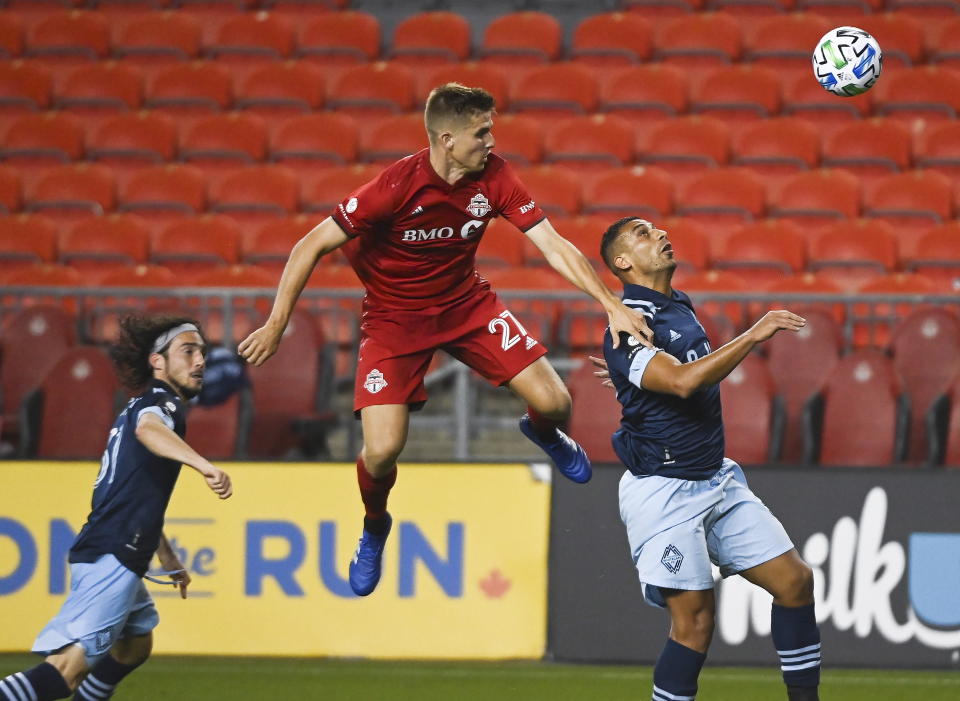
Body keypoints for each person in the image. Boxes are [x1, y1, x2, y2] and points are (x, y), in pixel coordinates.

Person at [238, 83, 653, 597]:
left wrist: (611, 304)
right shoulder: (393, 188)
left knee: (556, 403)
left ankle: (541, 432)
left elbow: (551, 243)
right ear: (447, 139)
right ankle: (373, 527)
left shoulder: (495, 175)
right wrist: (277, 323)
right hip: (394, 320)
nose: (492, 139)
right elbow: (310, 244)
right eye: (482, 132)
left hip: (466, 305)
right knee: (383, 450)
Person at [591, 218, 821, 701]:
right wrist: (754, 334)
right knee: (694, 623)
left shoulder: (677, 306)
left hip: (714, 476)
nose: (658, 235)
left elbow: (671, 377)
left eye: (655, 229)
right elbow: (681, 381)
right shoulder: (628, 323)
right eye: (641, 233)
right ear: (622, 262)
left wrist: (634, 388)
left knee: (796, 582)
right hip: (664, 488)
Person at [0, 316, 233, 701]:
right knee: (63, 673)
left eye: (202, 353)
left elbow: (135, 494)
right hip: (115, 552)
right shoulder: (161, 404)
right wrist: (203, 465)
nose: (200, 361)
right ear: (157, 362)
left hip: (117, 543)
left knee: (135, 645)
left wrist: (169, 557)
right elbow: (148, 429)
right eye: (188, 351)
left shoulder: (140, 405)